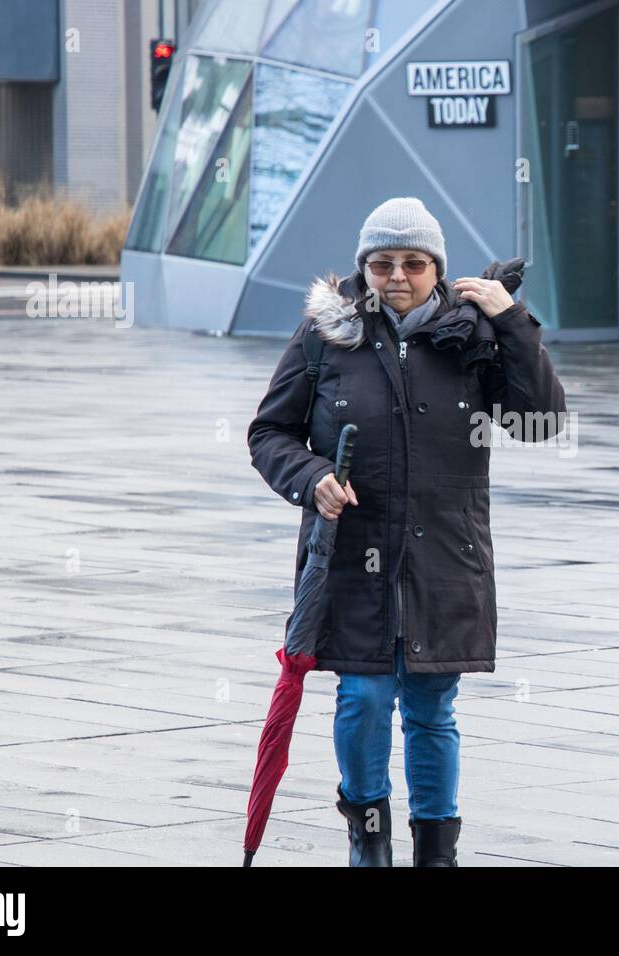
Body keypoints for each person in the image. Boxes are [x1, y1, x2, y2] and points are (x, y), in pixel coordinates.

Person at [246, 196, 566, 866]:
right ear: (364, 267)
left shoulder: (473, 336)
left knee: (430, 708)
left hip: (446, 558)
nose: (397, 275)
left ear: (436, 268)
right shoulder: (325, 335)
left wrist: (513, 324)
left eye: (414, 263)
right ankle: (369, 842)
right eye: (383, 263)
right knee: (363, 699)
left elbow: (542, 421)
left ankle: (435, 853)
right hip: (350, 557)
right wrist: (311, 478)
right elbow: (270, 432)